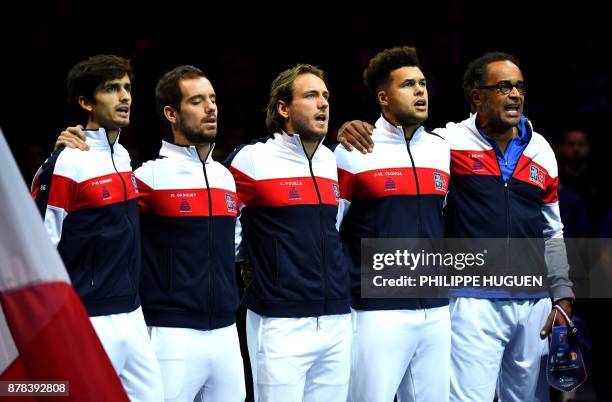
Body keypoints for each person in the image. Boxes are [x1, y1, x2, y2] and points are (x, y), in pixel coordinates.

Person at [338, 51, 574, 402]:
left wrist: (563, 294)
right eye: (504, 87)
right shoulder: (446, 143)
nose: (515, 95)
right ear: (477, 97)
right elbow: (401, 144)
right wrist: (350, 127)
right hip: (469, 301)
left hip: (533, 303)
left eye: (520, 87)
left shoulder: (542, 150)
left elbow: (552, 230)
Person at [53, 65, 247, 402]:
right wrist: (64, 148)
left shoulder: (226, 177)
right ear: (171, 113)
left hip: (228, 334)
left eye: (213, 99)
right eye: (198, 101)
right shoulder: (144, 177)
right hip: (167, 334)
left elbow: (236, 246)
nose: (211, 108)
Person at [31, 54, 163, 401]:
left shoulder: (122, 156)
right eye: (111, 89)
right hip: (89, 318)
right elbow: (39, 247)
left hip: (133, 314)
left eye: (127, 88)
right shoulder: (67, 161)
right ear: (86, 102)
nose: (125, 97)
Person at [224, 64, 351, 402]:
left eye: (325, 96)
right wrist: (252, 266)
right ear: (283, 108)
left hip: (336, 320)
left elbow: (333, 229)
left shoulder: (331, 161)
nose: (322, 103)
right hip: (279, 321)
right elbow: (226, 231)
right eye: (310, 95)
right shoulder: (250, 160)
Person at [334, 46, 450, 402]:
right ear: (383, 97)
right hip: (375, 313)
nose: (420, 91)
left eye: (423, 83)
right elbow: (331, 229)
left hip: (436, 312)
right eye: (408, 85)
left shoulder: (441, 148)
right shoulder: (353, 150)